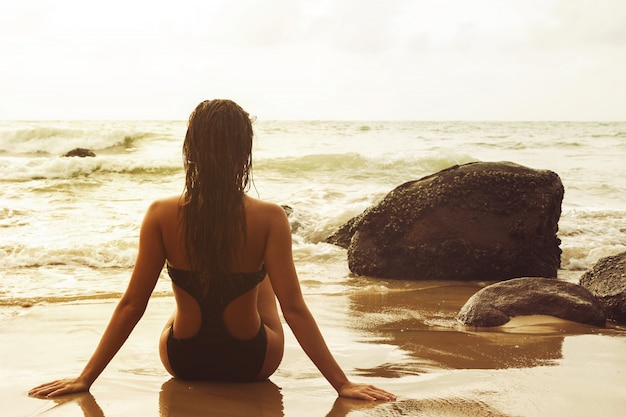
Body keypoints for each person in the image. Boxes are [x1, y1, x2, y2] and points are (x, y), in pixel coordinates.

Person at [29, 99, 396, 402]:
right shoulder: (270, 218)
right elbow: (295, 309)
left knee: (192, 293)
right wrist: (341, 384)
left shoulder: (160, 214)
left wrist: (85, 379)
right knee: (260, 276)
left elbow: (131, 305)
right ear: (244, 153)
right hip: (252, 362)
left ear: (190, 149)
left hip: (183, 359)